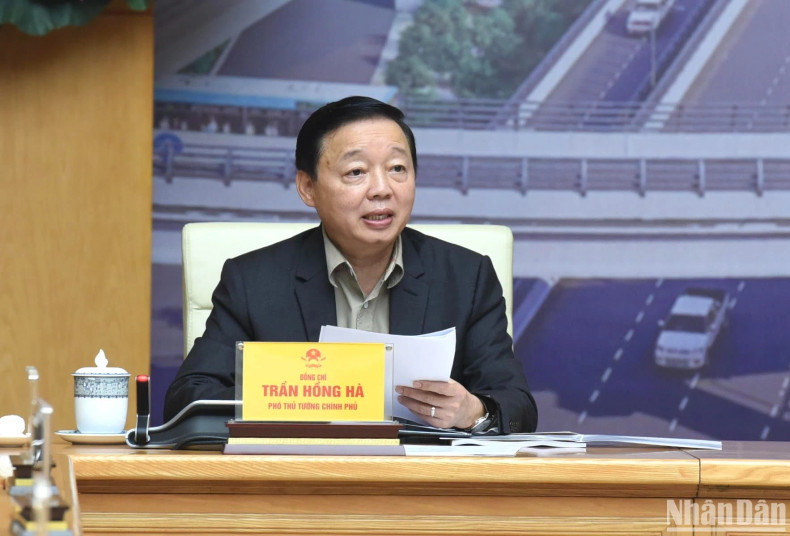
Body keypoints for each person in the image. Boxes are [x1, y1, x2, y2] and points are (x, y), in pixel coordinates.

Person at [164, 96, 538, 433]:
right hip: (297, 487)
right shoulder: (253, 281)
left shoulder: (466, 276)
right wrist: (287, 395)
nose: (382, 188)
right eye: (356, 172)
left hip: (421, 489)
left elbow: (516, 403)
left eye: (397, 168)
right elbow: (187, 400)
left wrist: (473, 411)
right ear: (308, 188)